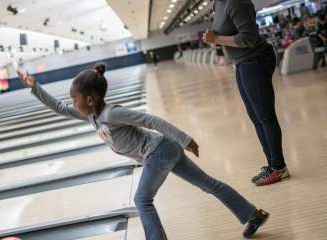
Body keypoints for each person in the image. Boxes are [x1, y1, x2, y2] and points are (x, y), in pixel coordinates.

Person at [18, 63, 269, 239]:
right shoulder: (92, 117)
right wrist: (34, 87)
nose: (73, 104)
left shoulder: (111, 113)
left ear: (91, 99)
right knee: (207, 183)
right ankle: (252, 214)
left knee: (142, 200)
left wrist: (184, 139)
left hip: (159, 150)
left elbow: (151, 121)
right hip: (162, 151)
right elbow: (60, 108)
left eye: (76, 99)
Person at [203, 0, 290, 186]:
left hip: (256, 59)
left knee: (265, 116)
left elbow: (248, 38)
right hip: (242, 62)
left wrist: (217, 40)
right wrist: (214, 40)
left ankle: (279, 168)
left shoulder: (236, 2)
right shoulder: (218, 4)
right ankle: (272, 165)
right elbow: (223, 34)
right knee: (256, 117)